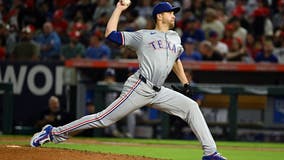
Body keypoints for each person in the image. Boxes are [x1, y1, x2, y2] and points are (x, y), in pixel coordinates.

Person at [30, 2, 227, 160]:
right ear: (160, 16)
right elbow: (111, 35)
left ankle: (210, 153)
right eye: (170, 12)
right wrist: (119, 8)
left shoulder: (176, 37)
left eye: (174, 13)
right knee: (103, 119)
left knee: (192, 107)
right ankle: (52, 132)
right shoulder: (143, 36)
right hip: (139, 87)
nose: (174, 15)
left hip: (159, 91)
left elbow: (176, 59)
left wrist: (185, 83)